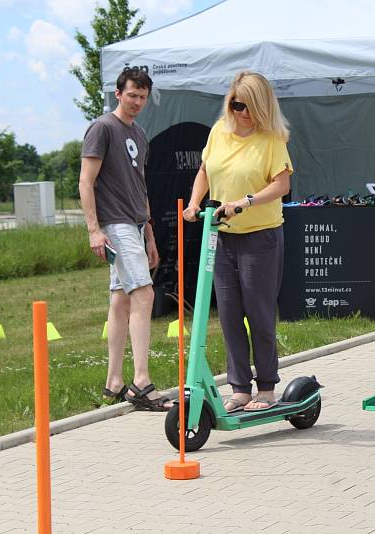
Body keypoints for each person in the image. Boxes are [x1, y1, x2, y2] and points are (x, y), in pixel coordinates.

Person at [183, 71, 293, 412]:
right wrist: (194, 203)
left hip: (260, 236)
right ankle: (240, 387)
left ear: (262, 107)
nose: (242, 112)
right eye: (237, 104)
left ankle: (267, 388)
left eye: (249, 106)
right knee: (229, 314)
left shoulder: (271, 139)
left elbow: (281, 185)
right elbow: (204, 170)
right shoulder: (219, 131)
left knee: (258, 313)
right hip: (221, 235)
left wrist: (245, 202)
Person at [79, 68, 171, 411]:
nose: (137, 102)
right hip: (114, 223)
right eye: (132, 95)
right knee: (144, 293)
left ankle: (114, 382)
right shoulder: (102, 128)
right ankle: (142, 382)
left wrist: (149, 234)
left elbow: (140, 185)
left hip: (134, 224)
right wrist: (94, 229)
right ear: (118, 93)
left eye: (143, 97)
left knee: (120, 300)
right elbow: (86, 181)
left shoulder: (140, 134)